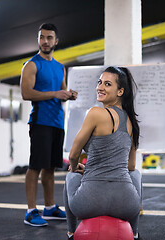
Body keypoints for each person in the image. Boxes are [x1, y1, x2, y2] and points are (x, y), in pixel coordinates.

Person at [64, 66, 142, 240]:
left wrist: (77, 167)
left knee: (71, 175)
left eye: (107, 84)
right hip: (126, 205)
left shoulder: (95, 113)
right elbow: (130, 166)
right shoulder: (132, 122)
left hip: (89, 203)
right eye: (99, 82)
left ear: (120, 91)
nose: (100, 87)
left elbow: (73, 155)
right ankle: (135, 233)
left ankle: (70, 233)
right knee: (135, 175)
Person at [20, 23, 77, 227]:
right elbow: (26, 93)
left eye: (49, 37)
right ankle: (30, 211)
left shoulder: (60, 67)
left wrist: (69, 95)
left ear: (56, 41)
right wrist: (55, 93)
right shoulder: (31, 65)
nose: (45, 41)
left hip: (57, 122)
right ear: (38, 40)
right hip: (40, 121)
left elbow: (61, 93)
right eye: (42, 37)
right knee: (35, 166)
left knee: (51, 167)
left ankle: (50, 207)